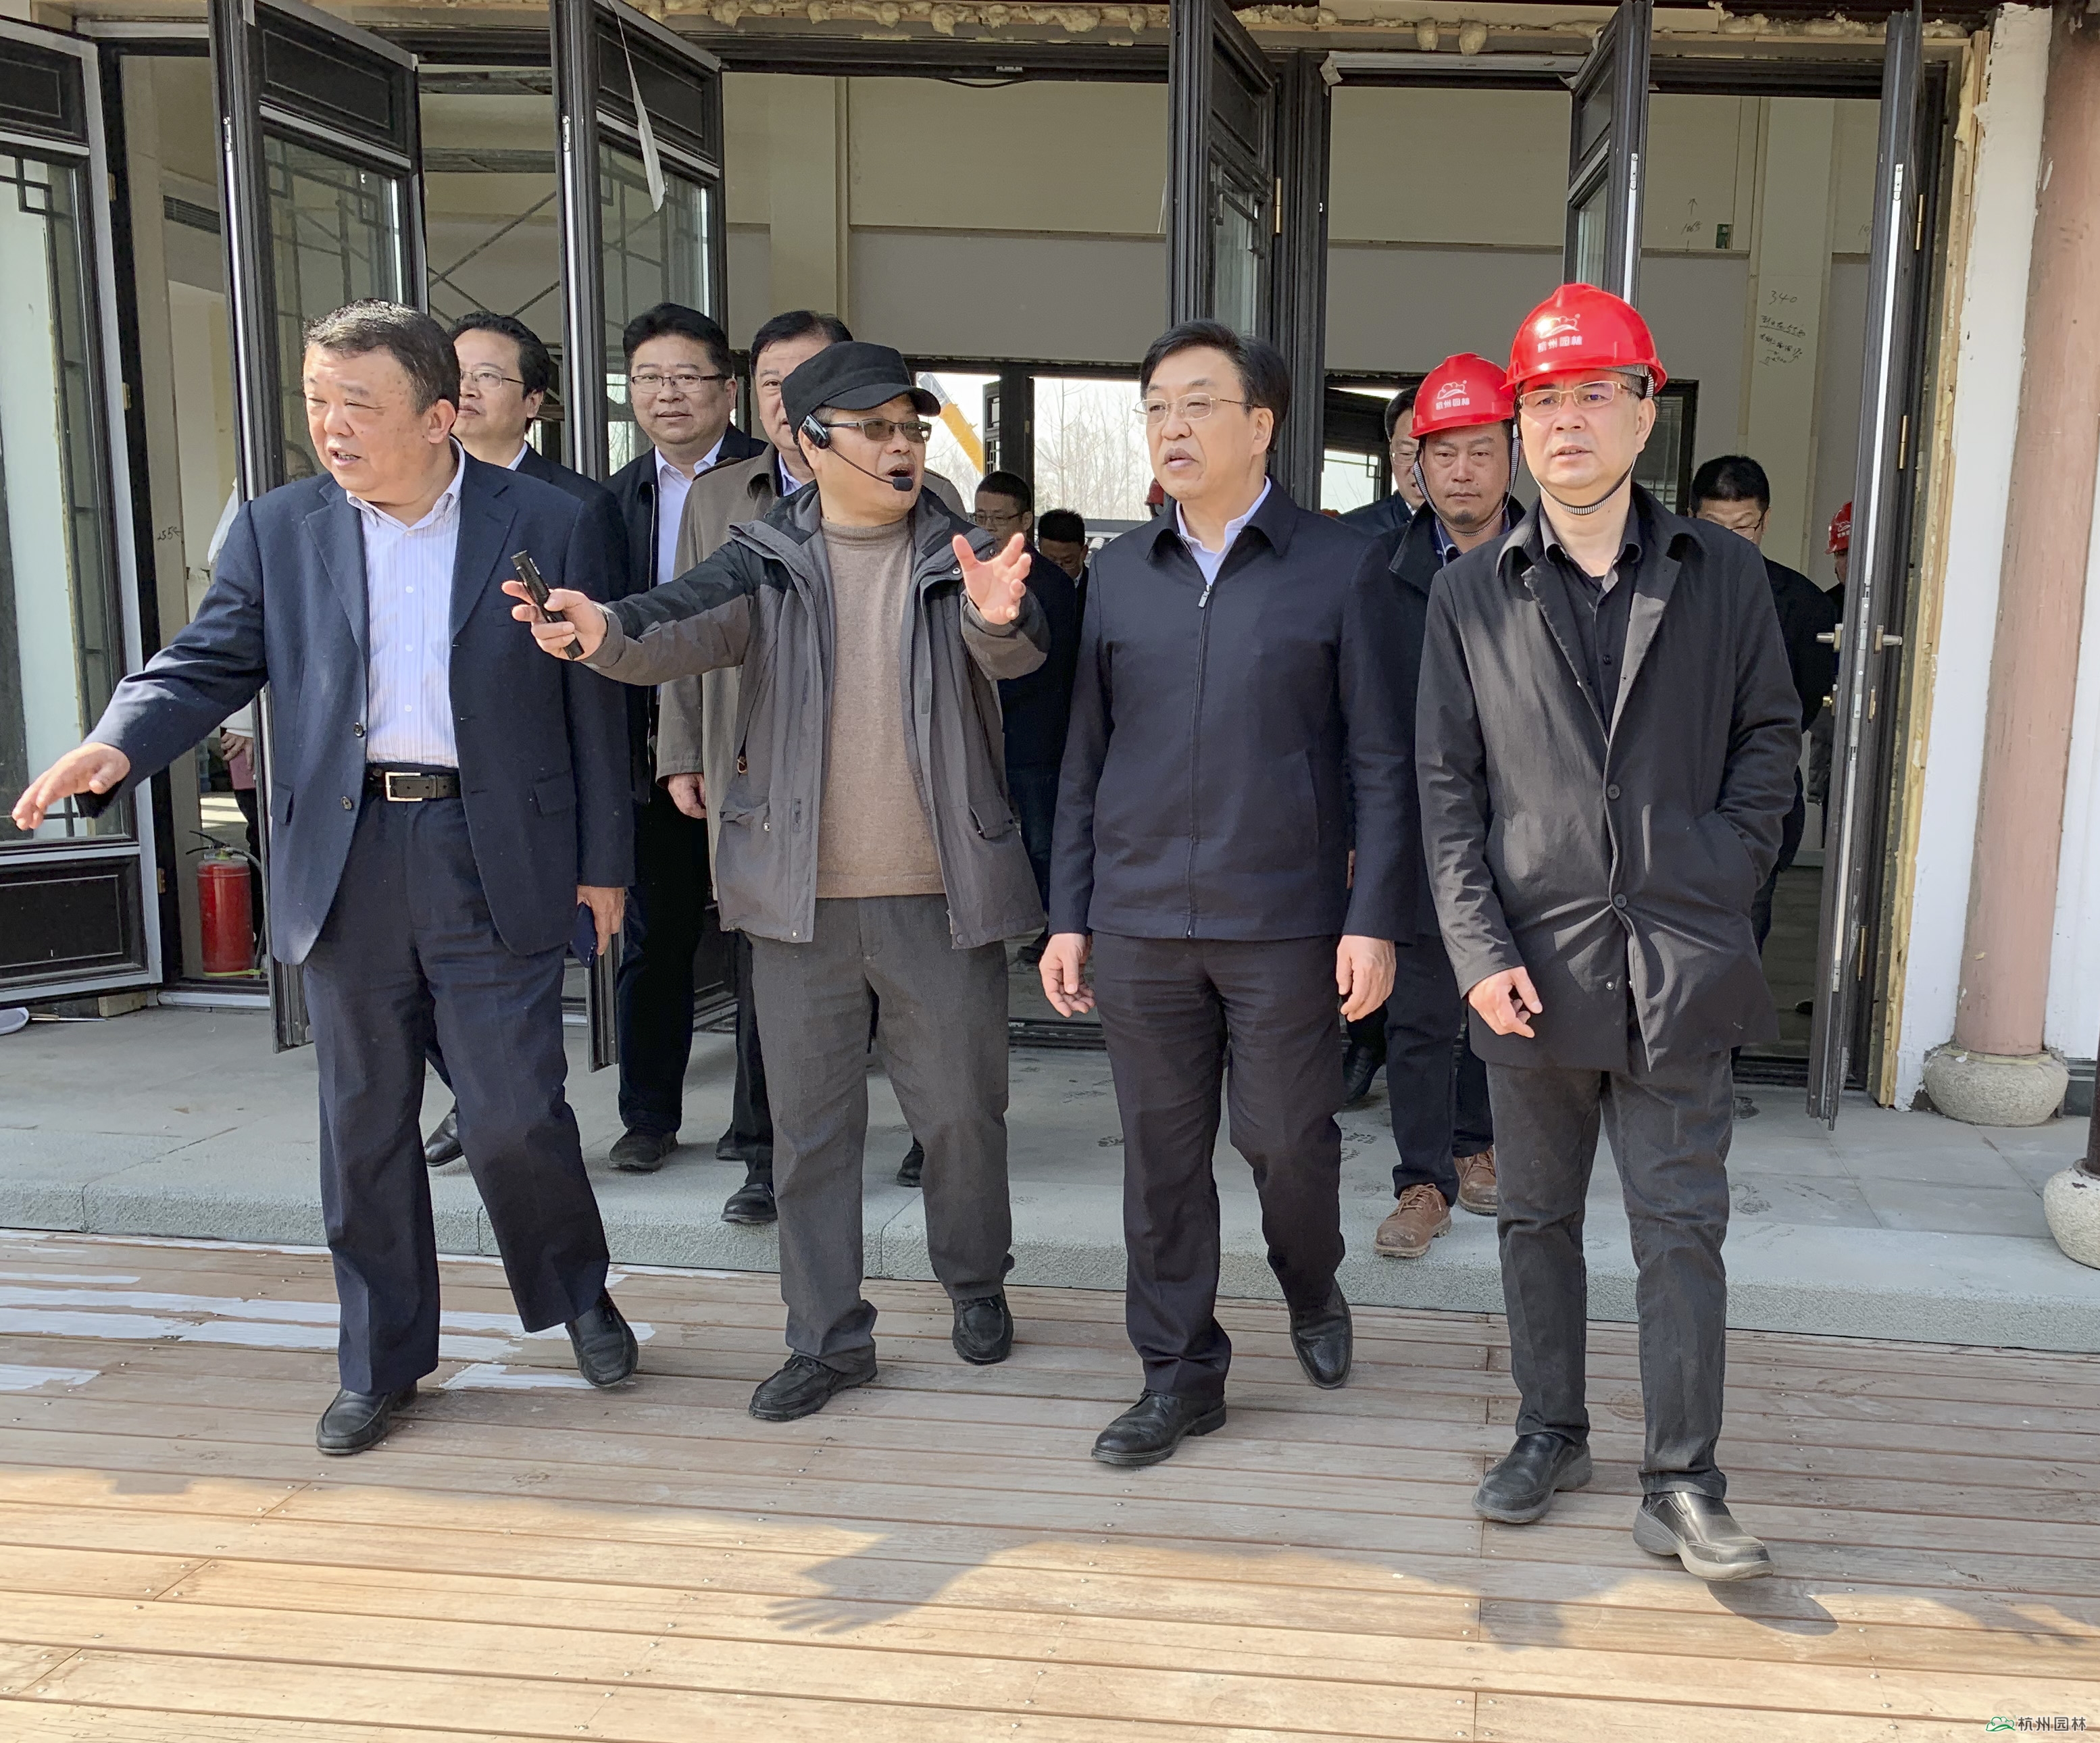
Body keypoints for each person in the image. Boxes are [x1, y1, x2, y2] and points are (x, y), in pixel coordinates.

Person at [11, 301, 639, 1455]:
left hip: (493, 847)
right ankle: (380, 1362)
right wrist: (119, 742)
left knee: (512, 1114)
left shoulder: (549, 519)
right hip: (345, 858)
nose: (331, 427)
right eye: (317, 402)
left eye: (359, 404)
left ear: (440, 416)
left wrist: (606, 862)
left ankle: (575, 1293)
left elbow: (593, 701)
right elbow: (206, 660)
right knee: (363, 1126)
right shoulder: (279, 527)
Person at [514, 341, 1048, 1423]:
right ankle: (826, 1336)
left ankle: (974, 1280)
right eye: (875, 429)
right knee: (810, 1133)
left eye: (910, 428)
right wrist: (598, 631)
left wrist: (997, 618)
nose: (901, 448)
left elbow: (1020, 648)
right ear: (807, 444)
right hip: (797, 901)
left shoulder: (963, 549)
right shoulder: (762, 560)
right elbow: (666, 628)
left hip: (941, 895)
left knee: (962, 1116)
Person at [1416, 284, 1798, 1580]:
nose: (1565, 420)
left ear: (1644, 413)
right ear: (1518, 426)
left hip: (1678, 963)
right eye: (1543, 400)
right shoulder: (1471, 593)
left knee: (1678, 1227)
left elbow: (1767, 741)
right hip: (1529, 966)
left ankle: (1682, 1479)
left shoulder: (1719, 573)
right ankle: (1548, 1432)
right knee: (1533, 1219)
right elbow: (1446, 791)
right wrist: (1477, 955)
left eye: (1593, 393)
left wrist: (1718, 869)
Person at [1042, 321, 1410, 1469]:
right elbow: (1083, 757)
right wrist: (1069, 912)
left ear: (1261, 425)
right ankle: (1178, 1375)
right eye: (1156, 406)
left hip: (1283, 917)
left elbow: (1382, 760)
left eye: (1198, 403)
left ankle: (1311, 1282)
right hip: (1140, 918)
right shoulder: (1117, 574)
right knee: (1160, 1161)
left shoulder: (1340, 565)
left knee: (1286, 1142)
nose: (1171, 426)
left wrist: (1373, 917)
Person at [657, 312, 956, 1223]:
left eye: (810, 379)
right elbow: (683, 619)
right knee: (777, 995)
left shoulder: (931, 497)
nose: (789, 399)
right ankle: (763, 1158)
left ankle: (928, 1153)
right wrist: (682, 752)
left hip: (896, 806)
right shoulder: (723, 497)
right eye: (773, 382)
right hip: (759, 770)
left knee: (918, 1016)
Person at [420, 311, 628, 1171]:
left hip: (525, 802)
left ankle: (509, 1121)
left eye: (488, 376)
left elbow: (599, 682)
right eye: (454, 372)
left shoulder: (573, 509)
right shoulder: (402, 501)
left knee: (514, 1001)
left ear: (534, 402)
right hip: (418, 806)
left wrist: (602, 847)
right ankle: (477, 1098)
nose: (466, 389)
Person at [1359, 353, 1521, 1263]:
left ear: (1512, 457)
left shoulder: (1551, 563)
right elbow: (1357, 717)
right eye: (1443, 453)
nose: (1462, 472)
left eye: (1481, 451)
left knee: (1505, 1000)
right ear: (1415, 462)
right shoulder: (1377, 571)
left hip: (1527, 828)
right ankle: (1422, 1181)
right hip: (1420, 826)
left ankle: (1477, 1143)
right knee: (1421, 1014)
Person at [600, 303, 766, 1176]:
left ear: (727, 391)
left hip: (746, 743)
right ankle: (648, 1115)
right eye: (648, 379)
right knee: (654, 937)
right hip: (652, 751)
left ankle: (757, 1129)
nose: (667, 394)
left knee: (761, 945)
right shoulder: (609, 499)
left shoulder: (769, 479)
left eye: (686, 377)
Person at [1691, 455, 1840, 958]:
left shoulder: (1803, 605)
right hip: (1674, 792)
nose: (1731, 540)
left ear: (1765, 520)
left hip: (1758, 792)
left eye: (1744, 526)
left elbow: (1801, 706)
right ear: (1691, 518)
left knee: (1743, 936)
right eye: (1715, 526)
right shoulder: (1657, 590)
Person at [976, 470, 1081, 967]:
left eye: (999, 519)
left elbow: (1054, 663)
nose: (987, 528)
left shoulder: (1051, 584)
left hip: (1036, 736)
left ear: (1024, 521)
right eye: (980, 517)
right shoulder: (966, 573)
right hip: (981, 735)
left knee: (1043, 840)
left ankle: (1058, 927)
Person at [1341, 385, 1423, 536]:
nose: (1417, 467)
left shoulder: (1469, 530)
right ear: (1391, 454)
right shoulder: (1351, 532)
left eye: (1441, 454)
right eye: (1406, 453)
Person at [1035, 508, 1091, 617]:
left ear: (1083, 553)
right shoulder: (1027, 587)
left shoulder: (1097, 589)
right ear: (1040, 550)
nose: (1058, 570)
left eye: (1067, 562)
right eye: (1050, 562)